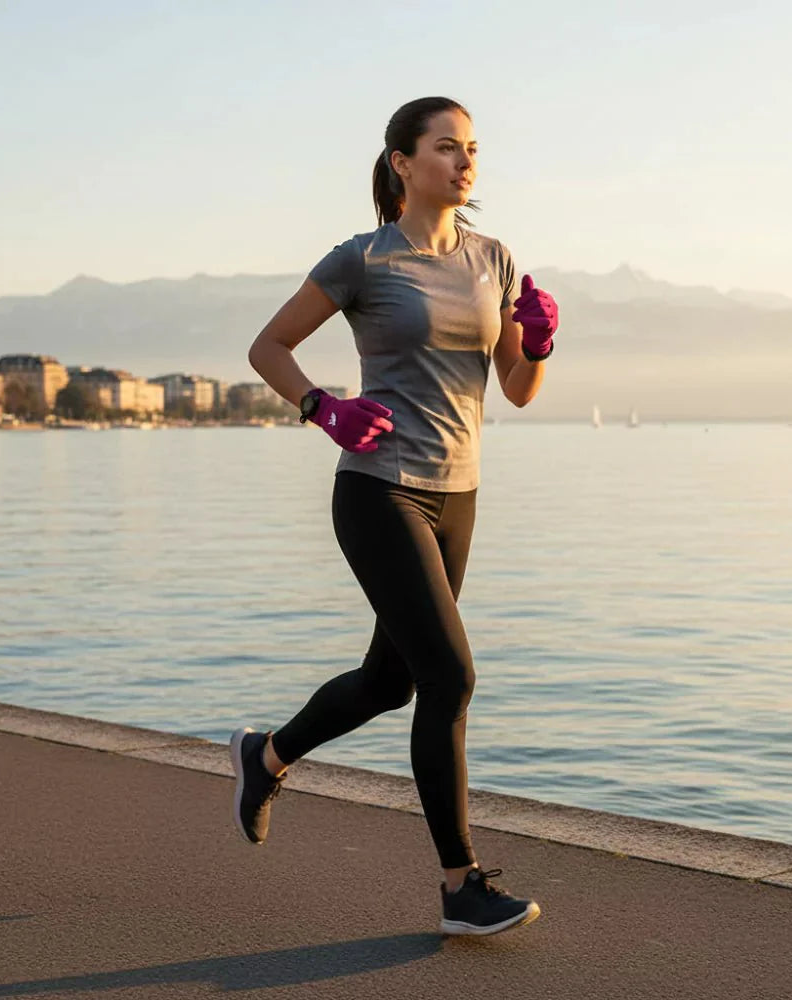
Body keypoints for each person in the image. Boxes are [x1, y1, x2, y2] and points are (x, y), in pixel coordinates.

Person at [231, 96, 559, 937]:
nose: (465, 162)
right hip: (379, 489)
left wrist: (541, 344)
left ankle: (265, 755)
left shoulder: (496, 260)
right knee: (450, 677)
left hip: (460, 493)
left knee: (393, 680)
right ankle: (460, 888)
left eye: (473, 149)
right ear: (403, 163)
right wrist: (322, 407)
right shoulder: (364, 260)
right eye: (446, 148)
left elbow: (517, 390)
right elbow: (268, 346)